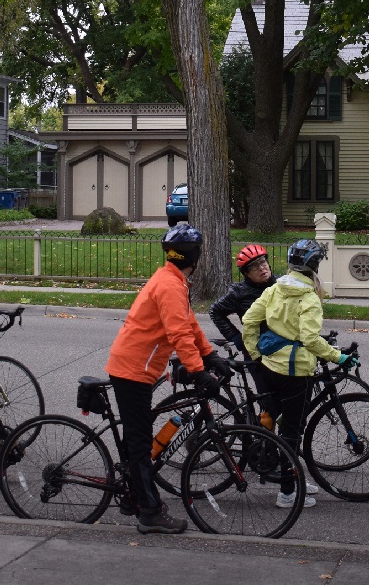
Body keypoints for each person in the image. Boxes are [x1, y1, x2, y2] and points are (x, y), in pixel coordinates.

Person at [105, 223, 232, 535]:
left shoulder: (173, 281)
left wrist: (209, 355)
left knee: (139, 437)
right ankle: (149, 512)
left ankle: (135, 493)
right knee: (139, 443)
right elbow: (178, 335)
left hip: (136, 368)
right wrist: (200, 372)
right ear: (195, 257)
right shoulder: (170, 286)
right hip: (132, 370)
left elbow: (188, 324)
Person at [242, 238, 355, 510]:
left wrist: (256, 356)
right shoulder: (308, 298)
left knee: (284, 427)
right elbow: (310, 339)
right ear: (314, 266)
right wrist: (339, 356)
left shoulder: (275, 289)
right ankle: (287, 492)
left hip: (270, 367)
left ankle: (292, 475)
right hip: (295, 373)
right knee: (291, 431)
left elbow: (248, 322)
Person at [209, 243, 278, 424]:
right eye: (254, 267)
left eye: (263, 262)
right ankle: (264, 442)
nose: (262, 268)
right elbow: (216, 311)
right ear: (246, 274)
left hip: (281, 350)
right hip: (257, 353)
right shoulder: (239, 293)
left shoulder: (281, 285)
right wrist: (235, 337)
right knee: (268, 401)